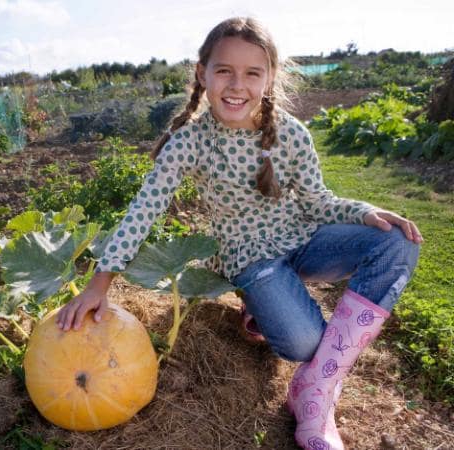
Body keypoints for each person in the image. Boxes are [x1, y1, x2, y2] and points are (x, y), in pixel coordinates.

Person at [56, 16, 421, 450]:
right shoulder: (191, 142)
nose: (237, 84)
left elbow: (317, 200)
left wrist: (364, 211)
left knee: (396, 241)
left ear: (269, 78)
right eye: (224, 70)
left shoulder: (291, 133)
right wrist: (100, 284)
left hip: (307, 240)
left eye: (252, 73)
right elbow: (144, 209)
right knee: (304, 344)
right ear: (202, 73)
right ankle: (264, 304)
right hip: (251, 258)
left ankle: (316, 393)